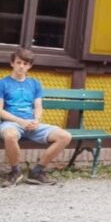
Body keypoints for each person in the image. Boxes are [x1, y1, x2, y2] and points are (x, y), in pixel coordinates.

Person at [1, 47, 71, 186]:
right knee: (10, 135)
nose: (21, 66)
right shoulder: (2, 83)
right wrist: (20, 121)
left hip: (32, 123)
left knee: (65, 136)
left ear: (30, 66)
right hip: (12, 122)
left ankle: (37, 172)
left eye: (25, 64)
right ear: (12, 63)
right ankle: (15, 172)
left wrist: (36, 120)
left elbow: (38, 107)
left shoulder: (34, 84)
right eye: (19, 62)